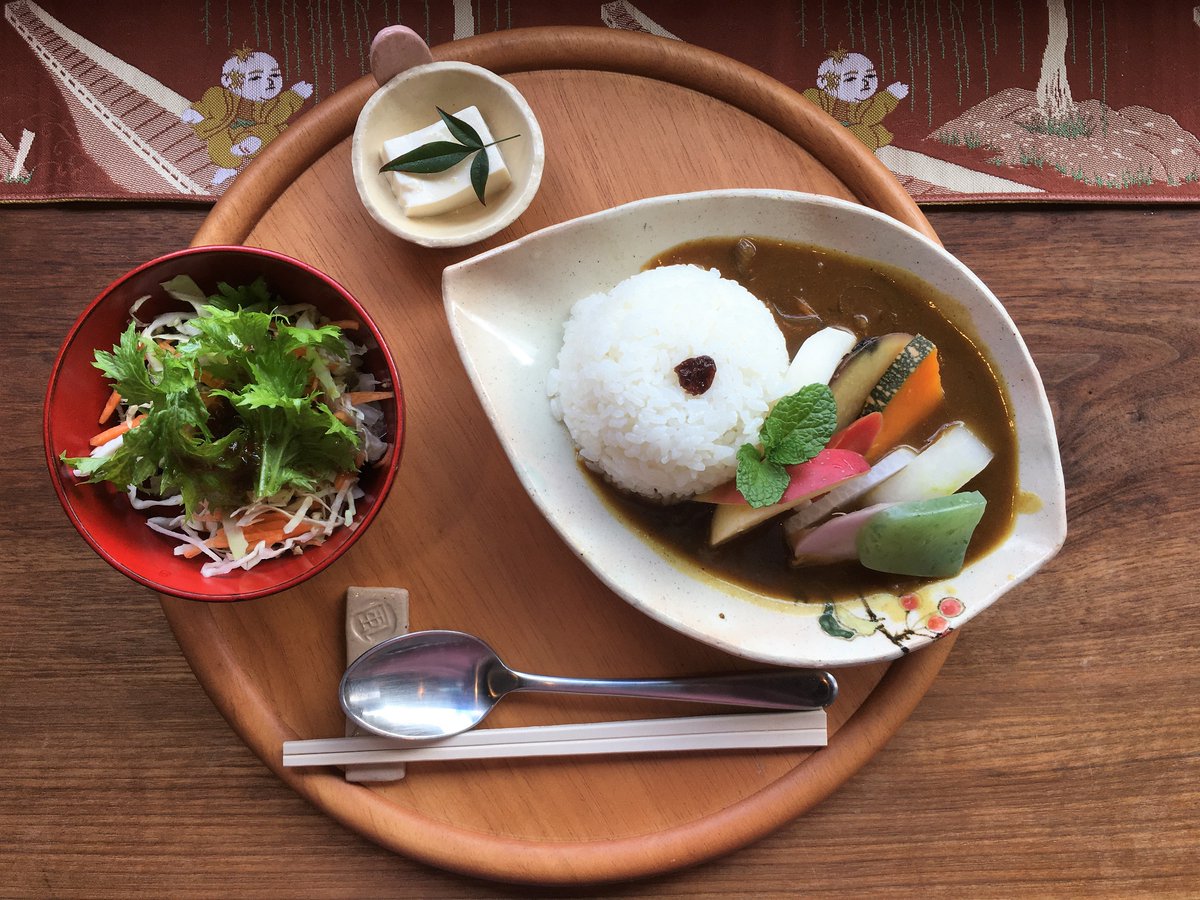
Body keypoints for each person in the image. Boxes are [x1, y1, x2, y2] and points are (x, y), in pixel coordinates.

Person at [182, 49, 313, 185]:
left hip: (256, 132)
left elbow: (274, 116)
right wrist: (196, 114)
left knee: (269, 131)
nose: (269, 82)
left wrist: (295, 95)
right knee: (218, 140)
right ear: (228, 81)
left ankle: (250, 144)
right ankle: (227, 167)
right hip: (228, 129)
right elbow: (208, 106)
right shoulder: (219, 96)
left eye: (274, 75)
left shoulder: (267, 104)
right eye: (256, 77)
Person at [802, 47, 908, 151]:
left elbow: (868, 117)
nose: (865, 82)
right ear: (824, 83)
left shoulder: (863, 106)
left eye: (870, 76)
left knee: (864, 134)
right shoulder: (817, 98)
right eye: (851, 78)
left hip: (853, 135)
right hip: (824, 131)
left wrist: (889, 96)